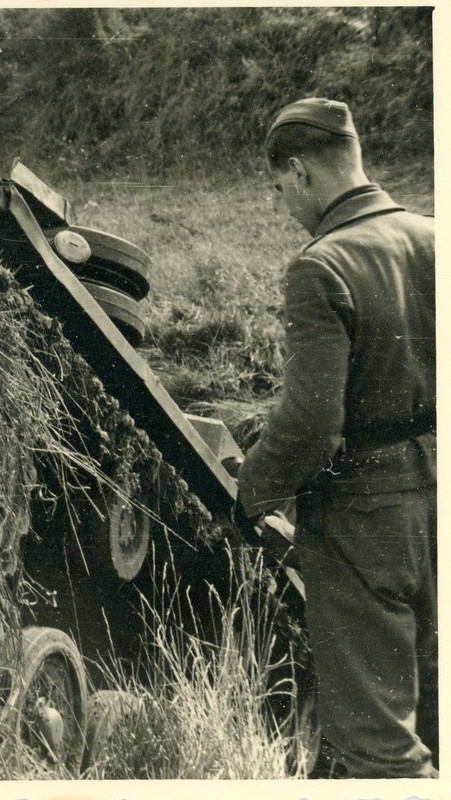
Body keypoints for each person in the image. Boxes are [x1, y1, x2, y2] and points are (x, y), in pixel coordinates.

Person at [233, 98, 436, 778]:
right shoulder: (435, 236)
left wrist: (253, 488)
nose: (284, 203)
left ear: (298, 172)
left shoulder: (322, 266)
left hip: (365, 519)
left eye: (279, 189)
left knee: (380, 748)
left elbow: (312, 426)